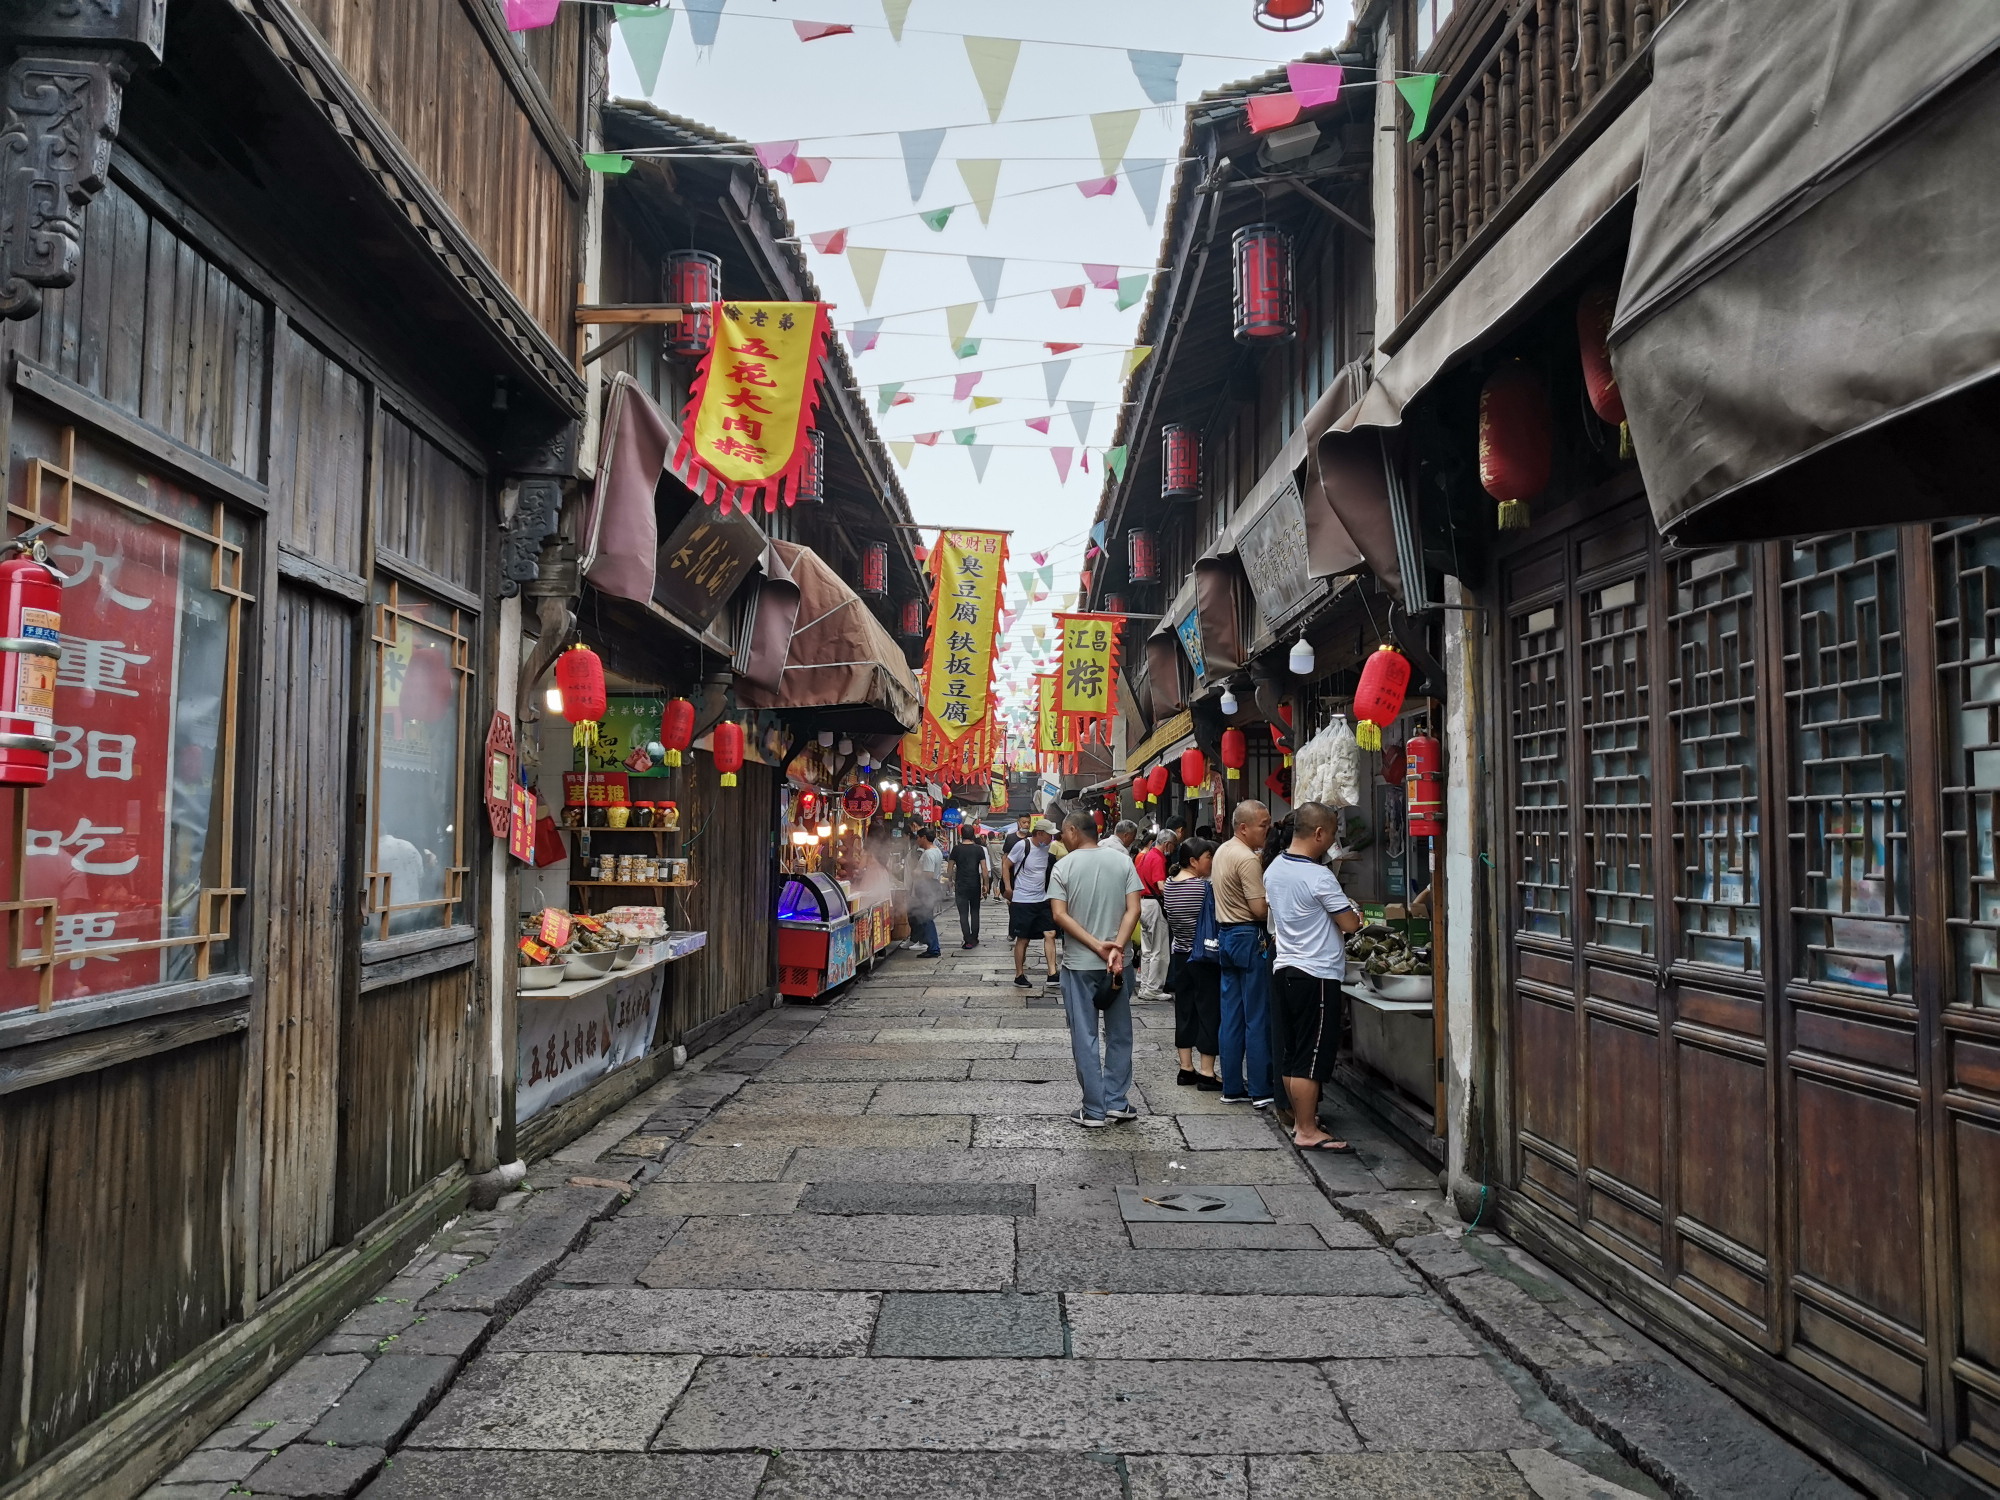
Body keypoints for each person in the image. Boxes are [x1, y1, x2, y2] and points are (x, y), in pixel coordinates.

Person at [1263, 801, 1364, 1152]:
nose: (1333, 840)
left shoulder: (1274, 868)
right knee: (1312, 1056)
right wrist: (1357, 914)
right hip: (1316, 973)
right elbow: (1349, 924)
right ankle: (1307, 1129)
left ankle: (1300, 1121)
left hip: (1286, 967)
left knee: (1294, 1052)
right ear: (1319, 833)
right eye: (1333, 833)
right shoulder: (1319, 876)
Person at [1048, 809, 1145, 1128]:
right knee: (1120, 1033)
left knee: (1085, 1035)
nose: (1062, 838)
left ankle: (1093, 1109)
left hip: (1079, 965)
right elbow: (1134, 908)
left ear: (1074, 831)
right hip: (1119, 966)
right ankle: (1117, 1101)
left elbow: (1060, 916)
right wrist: (1116, 947)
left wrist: (1095, 945)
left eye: (1063, 833)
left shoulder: (1063, 866)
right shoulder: (1122, 861)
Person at [1212, 799, 1276, 1108]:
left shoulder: (1223, 851)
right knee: (1256, 1015)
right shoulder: (1247, 859)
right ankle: (1262, 1089)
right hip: (1249, 936)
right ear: (1243, 827)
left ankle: (1232, 1086)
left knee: (1231, 1015)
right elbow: (1258, 909)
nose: (1268, 829)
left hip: (1226, 935)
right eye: (1263, 825)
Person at [1160, 836, 1221, 1088]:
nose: (1212, 862)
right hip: (1203, 956)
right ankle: (1207, 1071)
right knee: (1208, 1010)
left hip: (1180, 954)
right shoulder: (1202, 888)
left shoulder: (1169, 884)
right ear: (1194, 861)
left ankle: (1186, 1068)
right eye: (1208, 857)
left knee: (1184, 1010)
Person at [1004, 817, 1062, 989]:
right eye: (1048, 835)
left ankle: (1052, 973)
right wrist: (1008, 888)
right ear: (1039, 834)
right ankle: (1019, 975)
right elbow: (1006, 865)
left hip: (1042, 899)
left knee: (1050, 933)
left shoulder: (1047, 849)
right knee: (1023, 938)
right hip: (1023, 900)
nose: (1051, 839)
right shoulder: (1023, 846)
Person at [1133, 829, 1176, 1002]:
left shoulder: (1145, 856)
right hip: (1154, 904)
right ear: (1167, 844)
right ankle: (1154, 988)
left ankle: (1145, 986)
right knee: (1159, 948)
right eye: (1173, 846)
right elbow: (1161, 886)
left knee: (1147, 949)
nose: (1172, 850)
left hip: (1143, 903)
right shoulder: (1157, 858)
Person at [905, 828, 945, 958]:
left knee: (926, 918)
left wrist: (916, 873)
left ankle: (933, 948)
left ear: (924, 838)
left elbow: (928, 874)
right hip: (932, 886)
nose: (917, 840)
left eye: (918, 838)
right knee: (925, 918)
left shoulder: (928, 854)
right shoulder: (937, 851)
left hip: (927, 887)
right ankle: (931, 945)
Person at [948, 826, 990, 948]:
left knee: (963, 913)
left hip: (961, 885)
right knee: (975, 911)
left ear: (961, 834)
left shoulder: (956, 849)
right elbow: (984, 869)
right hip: (974, 884)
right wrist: (985, 885)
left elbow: (950, 867)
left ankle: (967, 940)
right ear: (973, 835)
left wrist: (950, 880)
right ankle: (974, 937)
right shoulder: (979, 849)